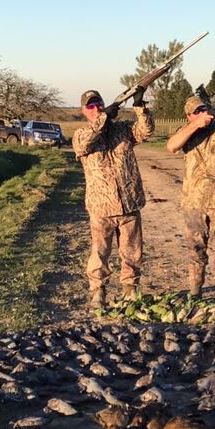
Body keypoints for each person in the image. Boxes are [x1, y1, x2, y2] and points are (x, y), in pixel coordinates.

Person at [72, 88, 154, 310]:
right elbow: (84, 144)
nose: (96, 108)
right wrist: (104, 117)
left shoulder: (122, 130)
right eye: (90, 106)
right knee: (100, 253)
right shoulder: (80, 134)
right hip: (101, 207)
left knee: (132, 252)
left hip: (129, 203)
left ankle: (131, 290)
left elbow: (145, 132)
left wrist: (140, 106)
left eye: (98, 103)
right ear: (83, 111)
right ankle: (98, 292)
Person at [165, 93, 215, 298]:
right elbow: (172, 146)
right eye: (197, 112)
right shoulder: (185, 131)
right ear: (188, 116)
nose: (203, 114)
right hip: (193, 202)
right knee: (195, 249)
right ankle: (195, 290)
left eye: (205, 110)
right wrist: (196, 125)